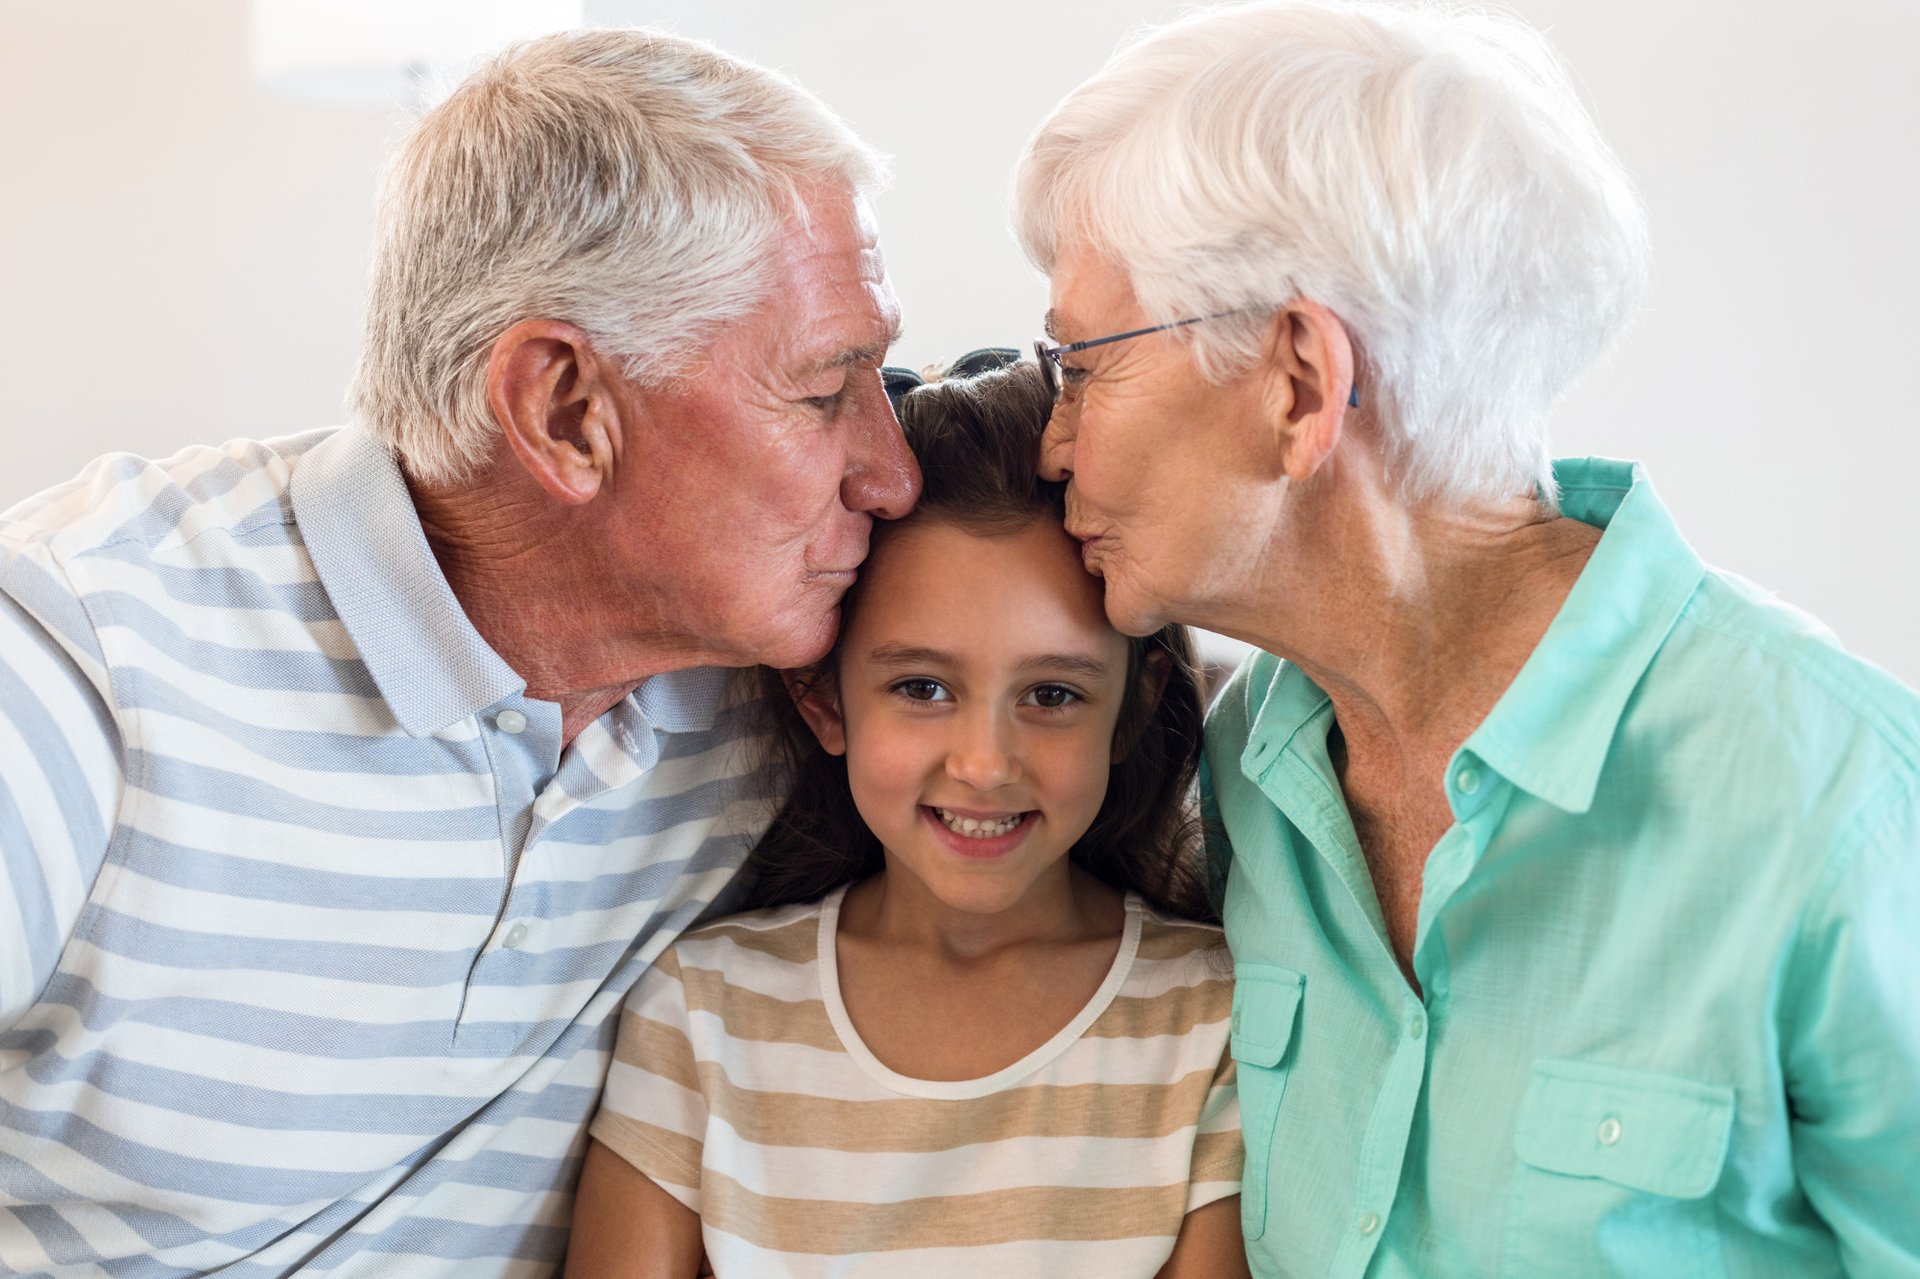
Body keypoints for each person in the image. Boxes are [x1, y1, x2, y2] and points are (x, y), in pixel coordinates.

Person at [1010, 2, 1920, 1275]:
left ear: (1300, 382)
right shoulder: (1243, 778)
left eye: (1083, 367)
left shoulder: (1848, 808)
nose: (1054, 442)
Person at [0, 29, 916, 1277]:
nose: (890, 469)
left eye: (886, 377)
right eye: (826, 393)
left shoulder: (805, 684)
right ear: (562, 411)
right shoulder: (79, 654)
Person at [565, 363, 1247, 1278]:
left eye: (1051, 693)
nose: (983, 762)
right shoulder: (703, 1013)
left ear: (1132, 706)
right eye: (921, 687)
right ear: (824, 700)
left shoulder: (1213, 1023)